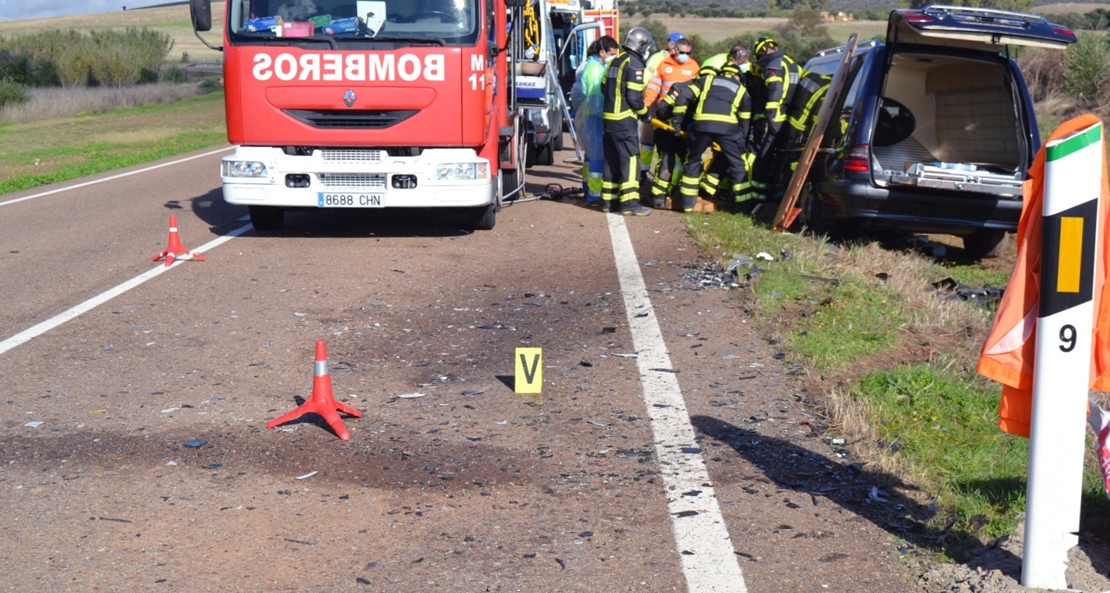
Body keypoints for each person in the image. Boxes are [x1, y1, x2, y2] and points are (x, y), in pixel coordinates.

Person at [676, 45, 752, 212]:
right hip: (727, 130)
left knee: (693, 161)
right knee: (738, 165)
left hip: (701, 126)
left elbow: (683, 96)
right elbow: (745, 119)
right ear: (736, 75)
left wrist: (677, 121)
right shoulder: (741, 89)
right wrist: (741, 140)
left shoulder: (707, 80)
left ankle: (687, 204)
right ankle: (744, 208)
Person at [601, 27, 656, 215]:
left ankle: (609, 201)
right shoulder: (635, 65)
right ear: (641, 46)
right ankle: (630, 204)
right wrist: (645, 113)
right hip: (624, 121)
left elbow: (603, 88)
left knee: (612, 160)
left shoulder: (615, 61)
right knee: (631, 159)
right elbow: (634, 97)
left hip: (609, 119)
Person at [643, 37, 699, 208]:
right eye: (682, 53)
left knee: (684, 159)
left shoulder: (694, 67)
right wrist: (646, 108)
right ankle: (658, 195)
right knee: (666, 158)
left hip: (684, 121)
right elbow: (653, 88)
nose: (685, 56)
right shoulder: (664, 65)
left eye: (688, 53)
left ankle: (676, 190)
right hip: (664, 119)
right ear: (674, 50)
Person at [749, 36, 802, 204]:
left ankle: (757, 199)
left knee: (763, 158)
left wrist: (770, 115)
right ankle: (777, 196)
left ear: (764, 51)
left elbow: (775, 89)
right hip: (791, 121)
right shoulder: (794, 65)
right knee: (782, 158)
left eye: (759, 56)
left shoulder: (773, 65)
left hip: (776, 118)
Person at [570, 36, 620, 207]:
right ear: (602, 52)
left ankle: (588, 189)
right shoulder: (595, 70)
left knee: (590, 157)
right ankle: (595, 196)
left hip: (587, 118)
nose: (613, 56)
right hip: (594, 119)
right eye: (612, 54)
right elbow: (595, 99)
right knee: (597, 158)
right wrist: (604, 115)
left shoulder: (595, 65)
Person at [637, 31, 683, 184]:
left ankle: (668, 175)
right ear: (670, 44)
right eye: (678, 44)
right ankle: (643, 172)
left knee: (669, 142)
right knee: (648, 140)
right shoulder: (657, 59)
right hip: (655, 105)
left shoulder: (679, 60)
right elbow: (646, 81)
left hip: (673, 108)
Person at [780, 70, 832, 184]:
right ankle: (790, 186)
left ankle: (783, 185)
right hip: (802, 129)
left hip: (791, 121)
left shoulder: (811, 76)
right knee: (795, 161)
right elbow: (817, 119)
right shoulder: (829, 90)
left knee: (785, 156)